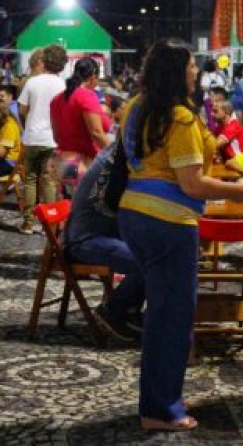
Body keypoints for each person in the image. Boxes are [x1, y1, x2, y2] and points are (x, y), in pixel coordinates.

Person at [116, 40, 243, 432]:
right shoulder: (178, 118)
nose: (197, 72)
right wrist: (240, 191)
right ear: (178, 71)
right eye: (192, 66)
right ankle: (161, 409)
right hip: (169, 223)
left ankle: (160, 395)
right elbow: (192, 184)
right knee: (172, 318)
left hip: (135, 214)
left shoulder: (135, 108)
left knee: (161, 313)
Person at [66, 141, 144, 340]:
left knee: (153, 254)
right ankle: (113, 310)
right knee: (149, 262)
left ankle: (129, 311)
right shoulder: (116, 165)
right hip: (86, 240)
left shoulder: (117, 154)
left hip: (100, 233)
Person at [17, 45, 68, 233]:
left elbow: (22, 110)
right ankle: (50, 224)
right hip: (53, 139)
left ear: (44, 61)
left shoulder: (32, 82)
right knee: (49, 181)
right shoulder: (63, 85)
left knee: (30, 179)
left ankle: (28, 222)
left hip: (32, 137)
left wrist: (29, 122)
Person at [49, 57, 111, 192]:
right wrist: (114, 154)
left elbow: (56, 136)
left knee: (67, 208)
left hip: (61, 161)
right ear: (93, 77)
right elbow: (96, 133)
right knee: (87, 209)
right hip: (83, 164)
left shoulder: (56, 99)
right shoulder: (87, 96)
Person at [210, 98, 243, 164]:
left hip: (241, 166)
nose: (211, 114)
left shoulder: (234, 125)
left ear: (226, 112)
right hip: (229, 164)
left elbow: (215, 144)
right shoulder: (219, 128)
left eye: (215, 111)